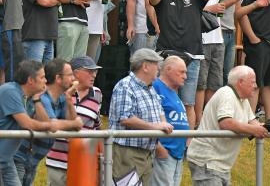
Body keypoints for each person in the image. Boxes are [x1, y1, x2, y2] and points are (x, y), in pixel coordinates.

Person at [148, 0, 213, 129]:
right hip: (167, 57)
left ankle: (187, 144)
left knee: (188, 103)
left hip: (192, 57)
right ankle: (164, 136)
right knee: (164, 100)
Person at [0, 60, 59, 186]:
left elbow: (44, 122)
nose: (46, 81)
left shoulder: (28, 97)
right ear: (30, 80)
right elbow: (27, 124)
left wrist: (37, 99)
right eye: (42, 77)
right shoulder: (9, 91)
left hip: (5, 160)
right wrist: (51, 125)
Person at [186, 66, 269, 185]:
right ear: (240, 82)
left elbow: (252, 121)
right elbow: (226, 122)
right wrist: (254, 130)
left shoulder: (242, 99)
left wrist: (262, 128)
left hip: (220, 164)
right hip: (208, 161)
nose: (256, 86)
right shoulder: (227, 94)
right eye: (252, 82)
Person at [14, 59, 82, 186]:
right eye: (70, 75)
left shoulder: (62, 98)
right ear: (58, 78)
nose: (73, 79)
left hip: (32, 161)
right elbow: (52, 125)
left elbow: (72, 132)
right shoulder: (42, 97)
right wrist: (74, 124)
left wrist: (68, 98)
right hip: (18, 158)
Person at [109, 48, 173, 185]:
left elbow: (160, 112)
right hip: (128, 153)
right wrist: (155, 127)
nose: (159, 68)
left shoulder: (151, 89)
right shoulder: (125, 86)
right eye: (156, 64)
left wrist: (163, 125)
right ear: (145, 66)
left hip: (148, 153)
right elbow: (125, 117)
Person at [46, 56, 103, 185]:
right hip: (58, 161)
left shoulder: (97, 94)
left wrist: (100, 158)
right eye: (89, 71)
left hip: (83, 162)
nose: (93, 75)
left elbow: (96, 126)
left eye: (95, 71)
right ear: (75, 73)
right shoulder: (59, 92)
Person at [151, 56, 189, 186]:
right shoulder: (156, 87)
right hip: (164, 153)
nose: (185, 76)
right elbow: (147, 118)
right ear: (168, 69)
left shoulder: (173, 92)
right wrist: (159, 148)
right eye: (182, 72)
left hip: (176, 154)